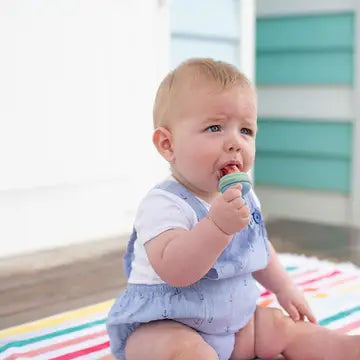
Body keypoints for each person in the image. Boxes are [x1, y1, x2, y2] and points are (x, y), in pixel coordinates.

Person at [106, 58, 360, 360]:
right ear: (167, 145)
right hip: (167, 324)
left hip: (234, 323)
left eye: (246, 131)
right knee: (181, 351)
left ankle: (345, 349)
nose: (235, 143)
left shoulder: (244, 198)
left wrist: (284, 287)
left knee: (280, 325)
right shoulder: (164, 204)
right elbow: (176, 270)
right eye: (215, 127)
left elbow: (257, 247)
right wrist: (217, 227)